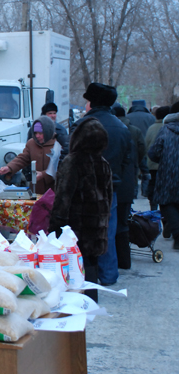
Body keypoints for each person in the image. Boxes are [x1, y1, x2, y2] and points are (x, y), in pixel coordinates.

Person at [67, 83, 131, 286]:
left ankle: (85, 276)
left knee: (81, 233)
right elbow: (126, 161)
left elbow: (71, 157)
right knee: (107, 233)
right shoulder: (121, 127)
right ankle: (109, 275)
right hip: (111, 187)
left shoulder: (82, 125)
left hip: (83, 188)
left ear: (91, 102)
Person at [49, 117, 112, 302]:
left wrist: (55, 227)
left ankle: (75, 307)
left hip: (74, 229)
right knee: (91, 267)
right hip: (96, 229)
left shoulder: (72, 162)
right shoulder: (104, 163)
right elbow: (107, 198)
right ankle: (91, 303)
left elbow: (63, 198)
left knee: (72, 270)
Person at [111, 104, 146, 269]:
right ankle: (125, 261)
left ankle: (114, 260)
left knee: (111, 222)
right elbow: (141, 153)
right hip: (128, 181)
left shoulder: (112, 132)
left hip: (114, 183)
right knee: (123, 222)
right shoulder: (134, 132)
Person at [148, 102, 179, 250]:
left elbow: (154, 153)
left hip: (169, 174)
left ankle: (177, 231)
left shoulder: (165, 130)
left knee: (167, 203)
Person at [0, 116, 57, 195]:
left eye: (40, 133)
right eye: (35, 133)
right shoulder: (31, 143)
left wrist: (43, 174)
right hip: (37, 189)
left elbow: (61, 167)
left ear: (48, 132)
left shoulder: (58, 144)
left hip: (55, 189)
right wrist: (9, 167)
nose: (37, 136)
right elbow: (22, 158)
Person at [145, 106, 171, 212]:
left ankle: (153, 209)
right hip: (168, 166)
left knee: (153, 187)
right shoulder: (169, 128)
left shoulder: (152, 128)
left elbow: (147, 145)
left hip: (152, 165)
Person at [127, 99, 156, 196]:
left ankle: (134, 192)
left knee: (133, 170)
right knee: (146, 171)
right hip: (147, 147)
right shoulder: (151, 118)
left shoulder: (128, 117)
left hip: (131, 147)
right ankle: (145, 191)